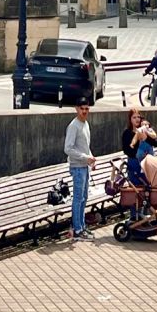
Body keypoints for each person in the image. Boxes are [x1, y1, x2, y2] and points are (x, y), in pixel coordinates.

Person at [64, 102, 96, 240]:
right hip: (77, 167)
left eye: (86, 109)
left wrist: (91, 159)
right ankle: (77, 229)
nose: (84, 111)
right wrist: (85, 157)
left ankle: (82, 226)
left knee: (84, 198)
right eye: (81, 109)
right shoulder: (73, 126)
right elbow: (68, 149)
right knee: (78, 198)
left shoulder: (85, 124)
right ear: (76, 109)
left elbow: (85, 146)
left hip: (85, 166)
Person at [121, 109, 157, 186]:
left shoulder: (145, 128)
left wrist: (146, 138)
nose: (137, 119)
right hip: (134, 163)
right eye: (134, 117)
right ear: (130, 119)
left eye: (138, 117)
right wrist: (139, 152)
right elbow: (126, 150)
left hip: (147, 163)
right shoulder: (127, 133)